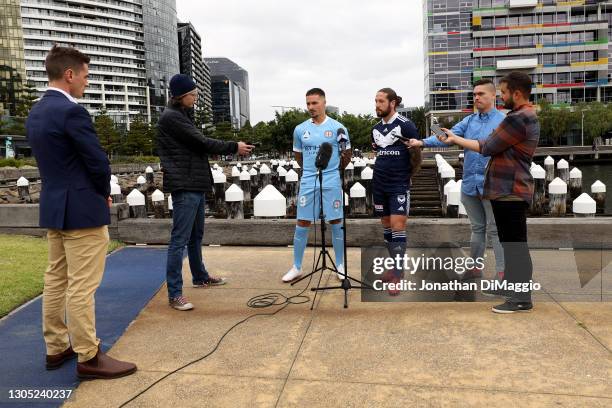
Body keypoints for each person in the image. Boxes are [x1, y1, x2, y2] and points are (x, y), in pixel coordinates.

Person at [26, 45, 136, 379]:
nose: (87, 83)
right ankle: (89, 355)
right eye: (86, 77)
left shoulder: (37, 112)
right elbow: (97, 162)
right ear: (70, 74)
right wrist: (103, 193)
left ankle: (56, 347)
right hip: (82, 209)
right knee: (81, 286)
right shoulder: (72, 112)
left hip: (55, 207)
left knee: (56, 278)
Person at [438, 71, 540, 313]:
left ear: (516, 93)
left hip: (510, 189)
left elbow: (488, 146)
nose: (502, 96)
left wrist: (456, 139)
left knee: (515, 246)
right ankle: (510, 288)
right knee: (511, 242)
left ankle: (521, 298)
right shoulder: (521, 115)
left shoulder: (518, 118)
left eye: (503, 92)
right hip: (507, 189)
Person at [156, 74, 254, 311]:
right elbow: (202, 143)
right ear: (181, 96)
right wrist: (234, 147)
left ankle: (199, 276)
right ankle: (175, 293)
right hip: (185, 184)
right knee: (179, 240)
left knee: (196, 235)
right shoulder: (172, 118)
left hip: (195, 183)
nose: (196, 98)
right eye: (193, 94)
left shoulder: (181, 116)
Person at [409, 79, 505, 283]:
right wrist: (422, 142)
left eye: (481, 94)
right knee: (477, 228)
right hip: (470, 183)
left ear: (493, 96)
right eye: (475, 94)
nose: (476, 97)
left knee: (495, 230)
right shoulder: (469, 121)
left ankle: (502, 272)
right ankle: (474, 268)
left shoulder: (503, 121)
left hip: (493, 184)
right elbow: (447, 137)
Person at [282, 88, 352, 282]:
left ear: (323, 102)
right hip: (308, 181)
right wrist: (310, 171)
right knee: (302, 222)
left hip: (331, 181)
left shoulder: (339, 128)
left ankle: (340, 264)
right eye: (308, 104)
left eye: (314, 103)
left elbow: (346, 154)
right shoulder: (300, 129)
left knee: (336, 221)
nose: (311, 107)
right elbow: (299, 155)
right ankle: (297, 267)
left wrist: (333, 171)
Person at [371, 88, 421, 296]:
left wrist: (408, 176)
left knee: (398, 226)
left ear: (392, 103)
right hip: (379, 183)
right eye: (375, 101)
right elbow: (379, 153)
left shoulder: (406, 125)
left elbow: (417, 155)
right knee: (386, 227)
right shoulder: (374, 128)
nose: (377, 105)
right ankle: (393, 267)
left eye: (381, 101)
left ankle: (398, 276)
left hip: (399, 184)